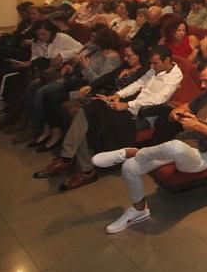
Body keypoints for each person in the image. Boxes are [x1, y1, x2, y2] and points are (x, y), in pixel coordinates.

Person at [94, 58, 207, 233]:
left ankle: (131, 152)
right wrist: (179, 115)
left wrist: (197, 125)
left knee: (174, 147)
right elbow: (175, 112)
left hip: (204, 154)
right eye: (201, 81)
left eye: (206, 80)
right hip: (182, 145)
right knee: (129, 168)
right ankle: (139, 209)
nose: (202, 85)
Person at [32, 41, 151, 191]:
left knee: (81, 112)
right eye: (125, 56)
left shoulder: (144, 72)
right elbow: (107, 78)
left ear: (140, 56)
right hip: (107, 100)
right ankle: (75, 162)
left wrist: (108, 99)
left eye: (129, 56)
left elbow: (133, 96)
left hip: (122, 108)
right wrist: (93, 86)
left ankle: (71, 160)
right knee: (79, 111)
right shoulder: (125, 66)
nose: (125, 59)